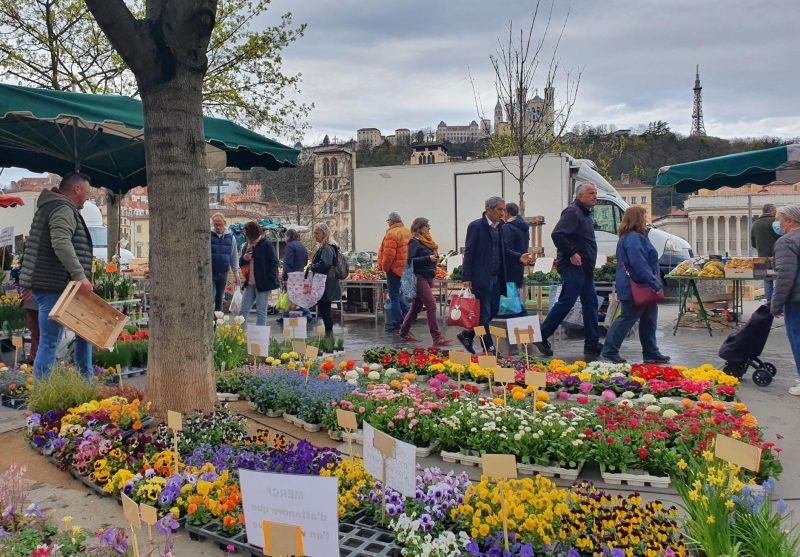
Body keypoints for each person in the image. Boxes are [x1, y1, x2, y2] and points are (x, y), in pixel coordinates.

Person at [19, 172, 94, 380]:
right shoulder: (62, 208)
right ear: (77, 189)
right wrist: (80, 276)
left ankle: (85, 382)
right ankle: (44, 394)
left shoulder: (52, 206)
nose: (88, 198)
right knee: (50, 341)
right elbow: (61, 243)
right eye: (87, 192)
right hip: (54, 285)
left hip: (57, 284)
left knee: (84, 333)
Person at [535, 182, 603, 359]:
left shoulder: (586, 213)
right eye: (591, 193)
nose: (594, 196)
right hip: (573, 267)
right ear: (580, 196)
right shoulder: (573, 212)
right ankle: (542, 335)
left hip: (584, 267)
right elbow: (557, 234)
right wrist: (572, 252)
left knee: (591, 304)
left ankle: (592, 344)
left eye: (595, 193)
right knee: (567, 301)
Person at [457, 197, 532, 354]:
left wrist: (518, 257)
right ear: (489, 210)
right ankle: (488, 348)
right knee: (484, 313)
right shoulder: (476, 226)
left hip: (497, 277)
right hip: (481, 276)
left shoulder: (500, 227)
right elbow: (469, 252)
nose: (503, 213)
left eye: (504, 209)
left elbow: (503, 250)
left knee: (492, 310)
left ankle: (467, 334)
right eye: (499, 209)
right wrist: (466, 277)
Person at [600, 207, 670, 364]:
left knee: (649, 319)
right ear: (637, 219)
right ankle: (610, 350)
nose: (646, 220)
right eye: (644, 217)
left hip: (637, 285)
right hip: (639, 286)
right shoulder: (634, 238)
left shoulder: (630, 237)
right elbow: (638, 264)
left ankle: (651, 352)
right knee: (627, 317)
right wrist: (654, 282)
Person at [399, 217, 452, 346]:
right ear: (420, 228)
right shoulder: (414, 242)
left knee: (416, 307)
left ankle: (403, 332)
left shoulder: (426, 242)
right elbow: (409, 261)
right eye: (427, 227)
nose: (429, 229)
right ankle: (436, 337)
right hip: (418, 277)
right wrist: (428, 258)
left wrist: (433, 259)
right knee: (431, 304)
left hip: (427, 277)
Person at [770, 205, 800, 395]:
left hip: (796, 299)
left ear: (790, 221)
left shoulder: (786, 241)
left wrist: (776, 303)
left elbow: (785, 276)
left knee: (797, 337)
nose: (777, 223)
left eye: (779, 219)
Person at [238, 221, 279, 329]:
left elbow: (274, 263)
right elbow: (241, 263)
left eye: (248, 235)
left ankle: (260, 339)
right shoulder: (246, 245)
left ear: (254, 235)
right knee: (243, 310)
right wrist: (244, 258)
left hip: (263, 284)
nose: (247, 238)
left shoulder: (266, 244)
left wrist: (269, 280)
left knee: (261, 311)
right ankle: (240, 336)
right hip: (250, 283)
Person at [377, 212, 412, 331]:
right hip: (406, 268)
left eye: (388, 221)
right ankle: (409, 314)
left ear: (392, 221)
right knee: (399, 294)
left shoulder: (392, 233)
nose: (388, 223)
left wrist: (385, 268)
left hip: (394, 269)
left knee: (394, 296)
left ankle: (396, 322)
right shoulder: (408, 232)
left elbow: (389, 254)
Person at [310, 223, 342, 337]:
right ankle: (328, 335)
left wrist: (313, 266)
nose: (315, 236)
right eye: (314, 233)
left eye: (317, 233)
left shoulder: (327, 248)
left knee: (325, 311)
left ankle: (329, 336)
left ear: (324, 234)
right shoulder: (326, 247)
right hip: (326, 283)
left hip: (326, 284)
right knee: (325, 310)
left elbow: (325, 264)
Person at [210, 213, 240, 312]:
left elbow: (234, 257)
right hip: (210, 273)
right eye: (215, 225)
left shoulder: (231, 238)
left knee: (219, 299)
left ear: (225, 223)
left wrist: (236, 274)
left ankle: (216, 323)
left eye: (220, 224)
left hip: (223, 273)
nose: (218, 227)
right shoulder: (209, 235)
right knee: (211, 297)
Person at [751, 203, 779, 303]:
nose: (776, 212)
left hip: (761, 257)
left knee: (767, 281)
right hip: (776, 256)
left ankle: (769, 303)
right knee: (780, 280)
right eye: (775, 210)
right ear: (772, 211)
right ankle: (778, 304)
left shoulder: (755, 223)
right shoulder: (775, 222)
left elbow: (753, 243)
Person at [502, 202, 530, 303]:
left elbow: (505, 249)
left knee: (508, 303)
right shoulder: (524, 227)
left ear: (507, 213)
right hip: (519, 266)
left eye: (503, 211)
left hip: (508, 266)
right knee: (514, 298)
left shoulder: (507, 227)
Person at [281, 228, 312, 319]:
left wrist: (285, 278)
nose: (285, 238)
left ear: (289, 236)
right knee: (298, 296)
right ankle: (286, 315)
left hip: (292, 276)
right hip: (300, 274)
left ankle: (305, 314)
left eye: (285, 236)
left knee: (290, 296)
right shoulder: (302, 245)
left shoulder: (289, 246)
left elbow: (287, 263)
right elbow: (306, 262)